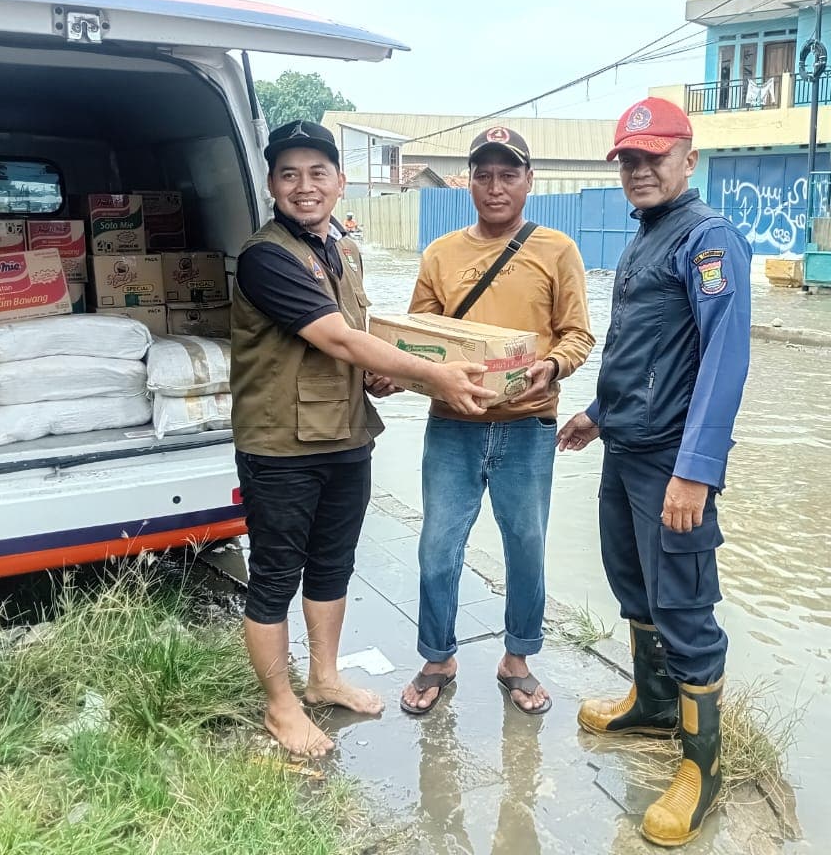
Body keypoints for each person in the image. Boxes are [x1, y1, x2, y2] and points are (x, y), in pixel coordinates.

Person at [230, 119, 496, 758]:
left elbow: (360, 335)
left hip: (346, 434)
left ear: (341, 183)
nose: (304, 186)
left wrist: (385, 374)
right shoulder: (265, 256)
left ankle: (323, 677)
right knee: (274, 576)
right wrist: (435, 375)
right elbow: (339, 338)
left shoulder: (341, 248)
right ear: (271, 184)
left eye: (318, 173)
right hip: (281, 445)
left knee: (332, 565)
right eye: (289, 174)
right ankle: (280, 705)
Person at [556, 97, 751, 847]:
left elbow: (724, 361)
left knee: (686, 608)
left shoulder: (708, 240)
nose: (640, 170)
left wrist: (696, 473)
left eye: (654, 157)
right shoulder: (646, 238)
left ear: (688, 158)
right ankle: (652, 702)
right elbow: (636, 351)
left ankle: (702, 767)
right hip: (625, 450)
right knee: (633, 586)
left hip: (673, 462)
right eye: (629, 160)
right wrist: (598, 414)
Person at [399, 127, 594, 717]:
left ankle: (518, 660)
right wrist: (403, 370)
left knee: (527, 546)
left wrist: (553, 366)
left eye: (508, 174)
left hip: (528, 425)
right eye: (483, 175)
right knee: (438, 545)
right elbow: (417, 341)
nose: (495, 186)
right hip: (452, 424)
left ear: (529, 182)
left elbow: (579, 334)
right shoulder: (440, 254)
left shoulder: (557, 249)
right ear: (468, 183)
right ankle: (438, 656)